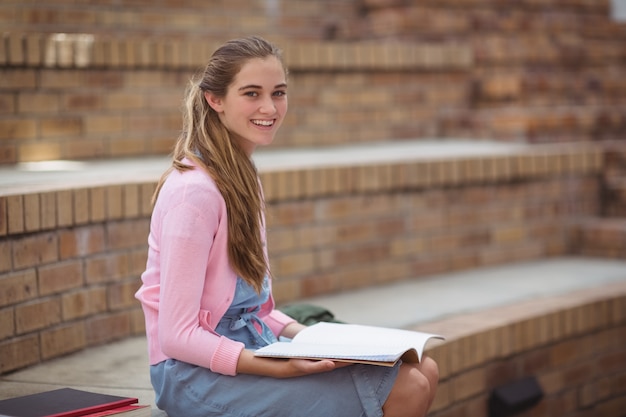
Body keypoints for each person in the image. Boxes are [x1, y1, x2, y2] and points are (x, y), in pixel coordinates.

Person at [135, 35, 439, 417]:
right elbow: (177, 337)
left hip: (254, 344)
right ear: (215, 100)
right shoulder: (193, 193)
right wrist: (276, 367)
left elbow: (254, 310)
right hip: (191, 374)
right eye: (251, 93)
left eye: (278, 92)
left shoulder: (241, 176)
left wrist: (312, 336)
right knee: (407, 386)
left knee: (424, 367)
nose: (269, 107)